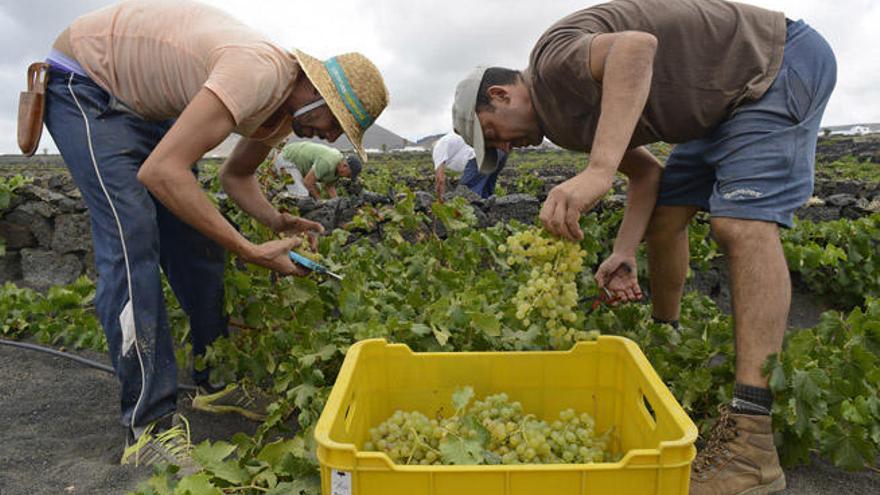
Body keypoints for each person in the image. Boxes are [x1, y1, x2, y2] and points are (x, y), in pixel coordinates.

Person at [452, 1, 835, 493]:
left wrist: (597, 169)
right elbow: (649, 174)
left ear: (502, 95)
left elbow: (635, 48)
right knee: (667, 215)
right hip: (718, 110)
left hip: (772, 66)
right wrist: (624, 251)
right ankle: (666, 337)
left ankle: (752, 441)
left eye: (492, 135)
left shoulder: (551, 65)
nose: (502, 149)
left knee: (740, 224)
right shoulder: (565, 121)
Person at [42, 0, 388, 466]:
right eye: (336, 125)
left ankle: (213, 383)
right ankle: (148, 430)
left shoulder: (281, 111)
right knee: (132, 239)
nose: (330, 140)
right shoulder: (258, 73)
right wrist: (248, 249)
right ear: (320, 97)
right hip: (87, 84)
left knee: (199, 245)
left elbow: (236, 176)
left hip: (141, 104)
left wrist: (275, 221)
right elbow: (163, 172)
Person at [432, 131, 508, 199]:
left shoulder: (438, 148)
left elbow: (440, 180)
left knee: (465, 194)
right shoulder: (451, 139)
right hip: (500, 148)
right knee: (486, 193)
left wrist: (440, 200)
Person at [273, 141, 361, 199]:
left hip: (298, 167)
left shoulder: (338, 170)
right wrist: (320, 201)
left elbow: (329, 186)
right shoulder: (328, 162)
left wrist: (336, 202)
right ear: (345, 166)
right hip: (287, 160)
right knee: (302, 194)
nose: (348, 178)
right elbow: (307, 182)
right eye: (349, 175)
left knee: (314, 191)